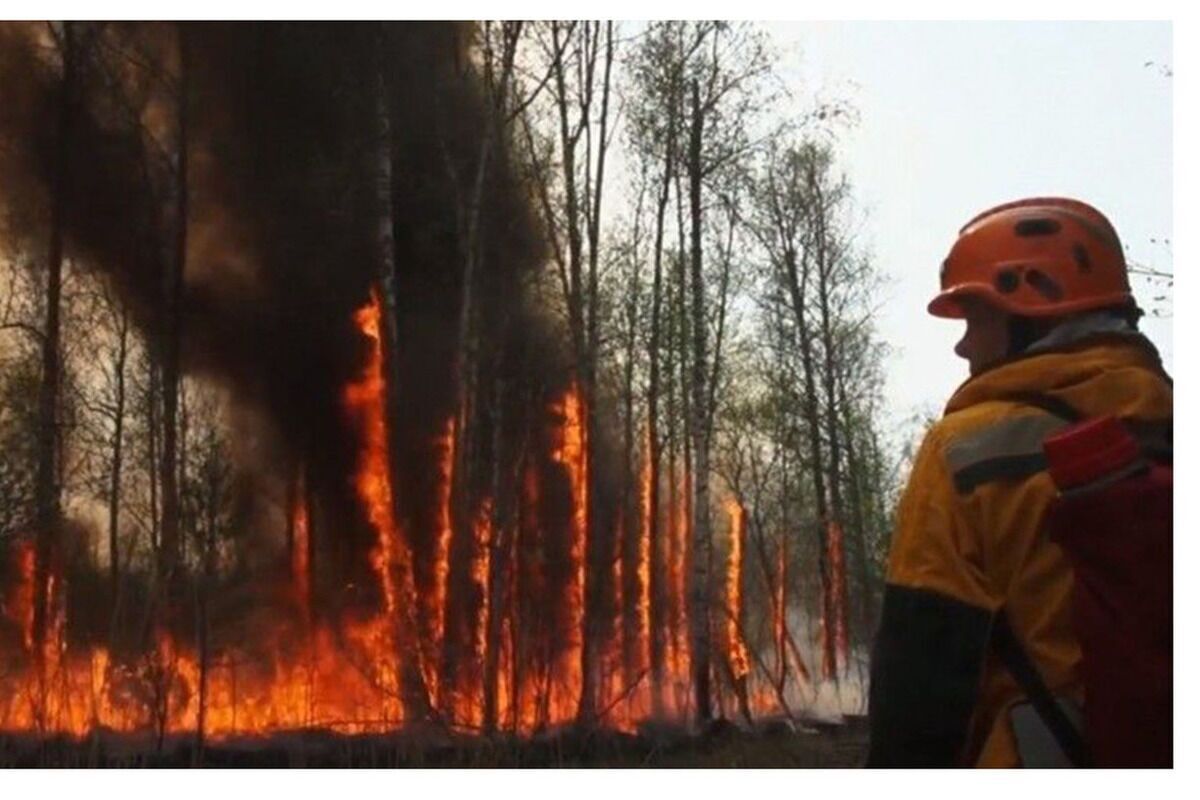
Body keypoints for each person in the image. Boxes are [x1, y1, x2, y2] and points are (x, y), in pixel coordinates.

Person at [865, 197, 1172, 767]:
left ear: (1033, 309)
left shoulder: (965, 450)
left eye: (977, 317)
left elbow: (921, 677)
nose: (962, 345)